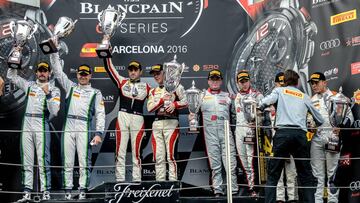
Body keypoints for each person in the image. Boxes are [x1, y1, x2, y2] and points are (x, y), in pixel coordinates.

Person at [258, 69, 324, 203]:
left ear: (284, 82)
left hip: (282, 134)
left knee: (273, 175)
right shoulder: (304, 95)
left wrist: (270, 105)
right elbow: (320, 120)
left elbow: (262, 103)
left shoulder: (279, 91)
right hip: (300, 135)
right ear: (297, 82)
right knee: (305, 176)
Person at [50, 53, 105, 200]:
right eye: (81, 74)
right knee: (67, 161)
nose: (83, 76)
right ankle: (67, 191)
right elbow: (57, 71)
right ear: (78, 74)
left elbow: (100, 114)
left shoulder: (96, 93)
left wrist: (99, 133)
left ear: (90, 76)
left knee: (83, 161)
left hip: (84, 126)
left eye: (85, 74)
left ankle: (82, 191)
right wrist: (54, 53)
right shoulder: (71, 87)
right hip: (69, 125)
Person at [7, 62, 61, 202]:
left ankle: (46, 192)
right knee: (27, 159)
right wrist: (15, 58)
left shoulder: (54, 90)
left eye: (45, 70)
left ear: (49, 73)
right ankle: (26, 192)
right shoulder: (29, 85)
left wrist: (48, 94)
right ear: (36, 73)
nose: (42, 73)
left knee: (43, 159)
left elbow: (55, 111)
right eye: (40, 70)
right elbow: (11, 76)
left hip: (41, 123)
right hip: (27, 123)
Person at [189, 69, 238, 196]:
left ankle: (233, 189)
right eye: (212, 79)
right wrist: (192, 117)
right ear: (208, 81)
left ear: (221, 81)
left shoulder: (228, 96)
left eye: (217, 79)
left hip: (226, 133)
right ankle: (218, 189)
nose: (215, 81)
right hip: (210, 134)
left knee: (230, 164)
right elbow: (193, 111)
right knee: (215, 164)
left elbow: (235, 115)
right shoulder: (201, 95)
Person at [308, 72, 354, 203]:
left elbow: (349, 117)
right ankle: (318, 201)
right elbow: (308, 119)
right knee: (317, 175)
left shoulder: (337, 96)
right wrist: (309, 125)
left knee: (332, 174)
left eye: (316, 82)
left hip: (332, 137)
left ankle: (333, 201)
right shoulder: (311, 100)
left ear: (324, 82)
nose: (314, 85)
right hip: (316, 139)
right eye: (312, 83)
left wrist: (342, 127)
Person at [102, 57, 150, 182]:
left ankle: (137, 181)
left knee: (136, 153)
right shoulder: (122, 81)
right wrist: (106, 53)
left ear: (141, 72)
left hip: (138, 118)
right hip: (123, 116)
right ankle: (120, 181)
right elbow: (110, 69)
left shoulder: (147, 87)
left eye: (135, 70)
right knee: (120, 152)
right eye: (130, 70)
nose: (133, 72)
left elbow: (159, 98)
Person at [147, 64, 187, 181]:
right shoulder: (153, 91)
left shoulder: (176, 86)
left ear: (165, 73)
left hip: (171, 122)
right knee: (159, 157)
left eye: (158, 73)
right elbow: (150, 108)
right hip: (157, 123)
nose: (156, 76)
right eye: (154, 74)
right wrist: (161, 101)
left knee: (171, 156)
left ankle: (173, 184)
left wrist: (175, 104)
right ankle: (160, 184)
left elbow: (187, 101)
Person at [233, 70, 263, 197]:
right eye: (242, 82)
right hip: (239, 130)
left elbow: (263, 114)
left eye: (246, 81)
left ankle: (254, 188)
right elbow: (233, 115)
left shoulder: (257, 95)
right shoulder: (235, 97)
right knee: (243, 159)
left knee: (252, 159)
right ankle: (249, 185)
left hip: (251, 130)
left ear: (250, 81)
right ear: (238, 83)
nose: (244, 84)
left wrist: (256, 122)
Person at [273, 72, 298, 203]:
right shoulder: (271, 97)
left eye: (284, 84)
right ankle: (280, 198)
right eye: (280, 84)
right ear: (276, 84)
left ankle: (293, 198)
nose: (282, 86)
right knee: (278, 171)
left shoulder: (293, 98)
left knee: (291, 171)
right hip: (275, 140)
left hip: (290, 138)